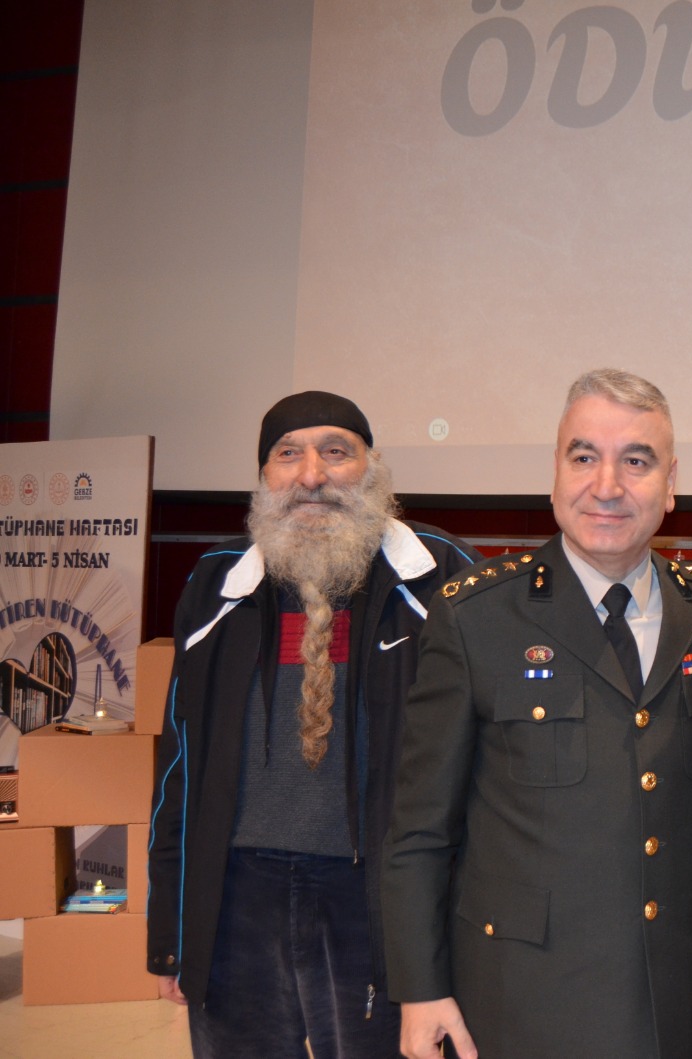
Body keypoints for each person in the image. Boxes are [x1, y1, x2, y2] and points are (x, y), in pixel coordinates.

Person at [383, 369, 692, 1059]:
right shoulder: (477, 617)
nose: (606, 486)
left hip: (675, 1001)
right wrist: (419, 988)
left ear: (671, 483)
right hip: (521, 1000)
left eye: (636, 461)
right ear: (554, 473)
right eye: (584, 457)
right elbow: (419, 827)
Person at [146, 390, 479, 1058]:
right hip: (236, 899)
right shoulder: (215, 584)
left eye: (335, 452)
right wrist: (171, 933)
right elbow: (178, 764)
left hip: (378, 899)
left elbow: (481, 769)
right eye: (288, 454)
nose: (311, 475)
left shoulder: (442, 576)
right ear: (263, 475)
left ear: (371, 467)